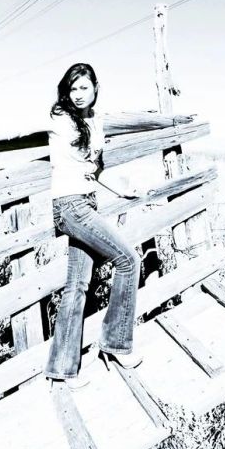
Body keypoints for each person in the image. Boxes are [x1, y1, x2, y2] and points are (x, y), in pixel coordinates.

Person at [44, 62, 146, 389]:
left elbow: (95, 170)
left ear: (95, 88)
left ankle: (62, 367)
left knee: (77, 284)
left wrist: (121, 189)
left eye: (83, 87)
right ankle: (116, 343)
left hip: (86, 203)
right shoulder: (59, 120)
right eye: (73, 88)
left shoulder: (94, 122)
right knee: (128, 260)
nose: (77, 94)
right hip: (71, 207)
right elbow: (12, 131)